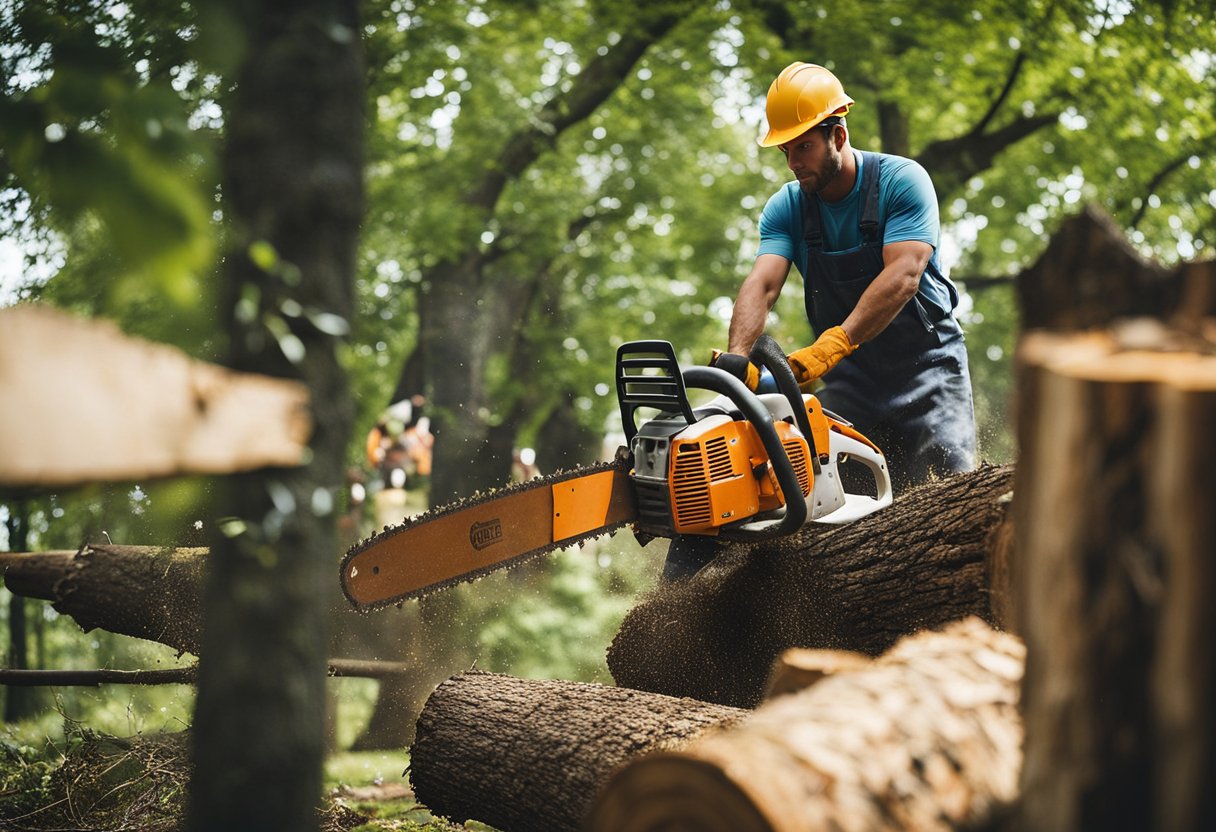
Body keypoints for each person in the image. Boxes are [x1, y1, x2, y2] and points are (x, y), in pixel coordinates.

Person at [663, 62, 976, 581]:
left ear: (838, 134)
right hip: (851, 383)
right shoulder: (788, 207)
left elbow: (904, 274)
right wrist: (739, 359)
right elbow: (763, 282)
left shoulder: (901, 182)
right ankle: (688, 603)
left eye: (801, 146)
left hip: (929, 371)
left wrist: (831, 346)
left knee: (948, 477)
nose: (792, 162)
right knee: (796, 483)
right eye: (784, 150)